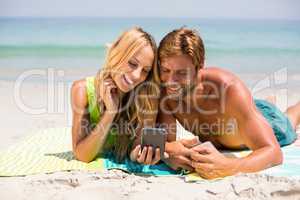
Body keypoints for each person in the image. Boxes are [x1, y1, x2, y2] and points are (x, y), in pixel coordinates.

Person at [157, 27, 300, 179]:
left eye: (181, 73)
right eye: (165, 70)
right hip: (242, 113)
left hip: (270, 121)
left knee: (289, 121)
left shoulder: (228, 89)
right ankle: (267, 102)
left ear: (200, 65)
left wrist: (229, 166)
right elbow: (168, 142)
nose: (170, 82)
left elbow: (273, 152)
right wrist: (167, 151)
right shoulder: (166, 93)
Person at [71, 27, 161, 164]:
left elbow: (136, 149)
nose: (137, 76)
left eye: (145, 71)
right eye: (132, 63)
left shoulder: (146, 97)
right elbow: (82, 156)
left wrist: (137, 156)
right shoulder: (82, 91)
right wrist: (110, 112)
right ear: (115, 53)